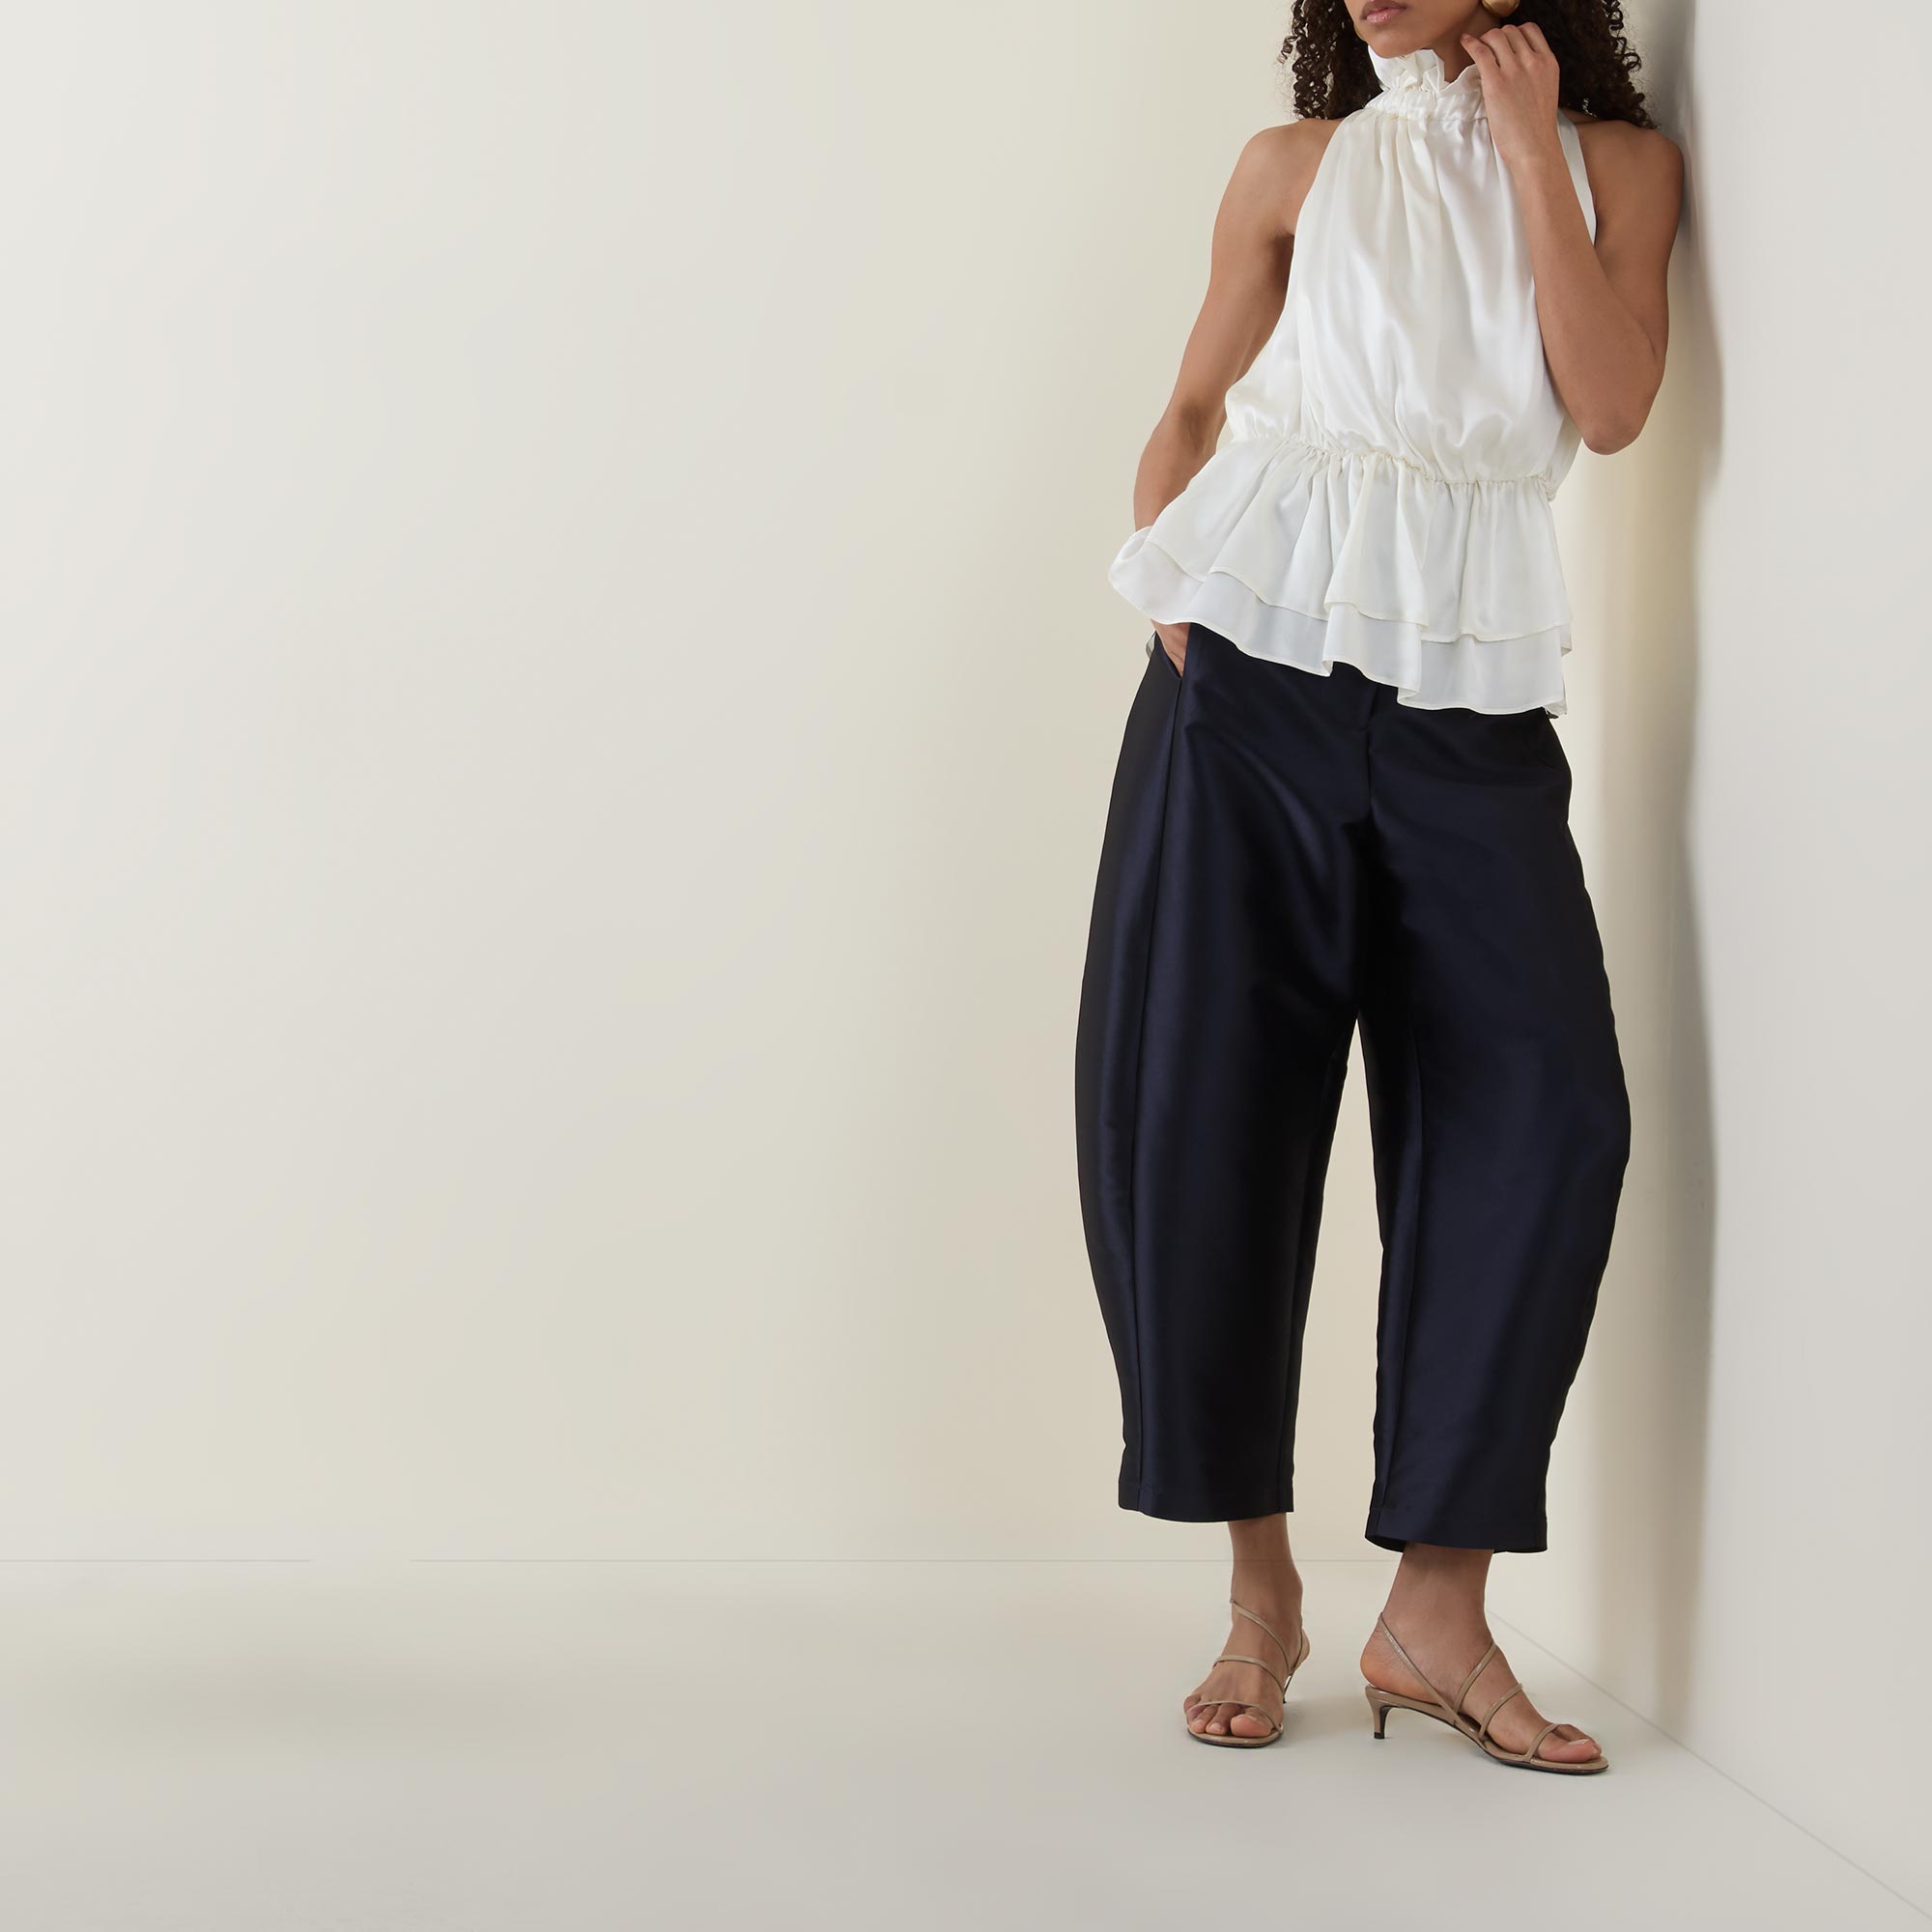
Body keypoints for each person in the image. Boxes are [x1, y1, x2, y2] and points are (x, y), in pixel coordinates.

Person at [1073, 0, 1682, 1770]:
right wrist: (1172, 589)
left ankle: (1436, 1611)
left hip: (1468, 700)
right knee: (1204, 1104)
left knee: (1547, 1108)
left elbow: (1612, 406)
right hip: (1242, 675)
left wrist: (1530, 150)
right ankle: (1260, 1591)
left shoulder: (1624, 169)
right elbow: (1192, 408)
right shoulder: (1294, 167)